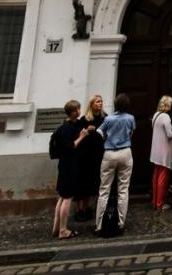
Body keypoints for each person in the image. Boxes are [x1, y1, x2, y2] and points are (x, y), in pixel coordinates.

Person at [94, 93, 136, 237]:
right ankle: (121, 223)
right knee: (123, 189)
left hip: (109, 153)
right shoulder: (130, 118)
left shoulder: (108, 118)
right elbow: (131, 133)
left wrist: (107, 137)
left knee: (104, 189)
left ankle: (99, 225)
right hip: (125, 152)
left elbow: (99, 131)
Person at [53, 99, 93, 239]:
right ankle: (63, 230)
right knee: (67, 198)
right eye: (78, 109)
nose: (79, 111)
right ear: (73, 112)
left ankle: (56, 227)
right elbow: (71, 146)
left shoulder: (66, 126)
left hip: (65, 165)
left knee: (62, 197)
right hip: (69, 166)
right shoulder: (66, 129)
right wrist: (81, 137)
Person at [74, 94, 106, 222]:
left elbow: (107, 133)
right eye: (98, 102)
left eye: (101, 101)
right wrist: (87, 130)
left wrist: (98, 131)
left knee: (95, 181)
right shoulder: (84, 119)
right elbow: (78, 135)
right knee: (83, 183)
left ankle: (89, 208)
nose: (100, 103)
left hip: (98, 154)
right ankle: (79, 210)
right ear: (92, 104)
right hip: (85, 155)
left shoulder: (105, 118)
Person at [150, 95, 172, 210]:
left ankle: (155, 201)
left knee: (156, 176)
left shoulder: (156, 115)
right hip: (164, 150)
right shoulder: (165, 117)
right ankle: (160, 203)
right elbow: (169, 134)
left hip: (156, 150)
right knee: (163, 177)